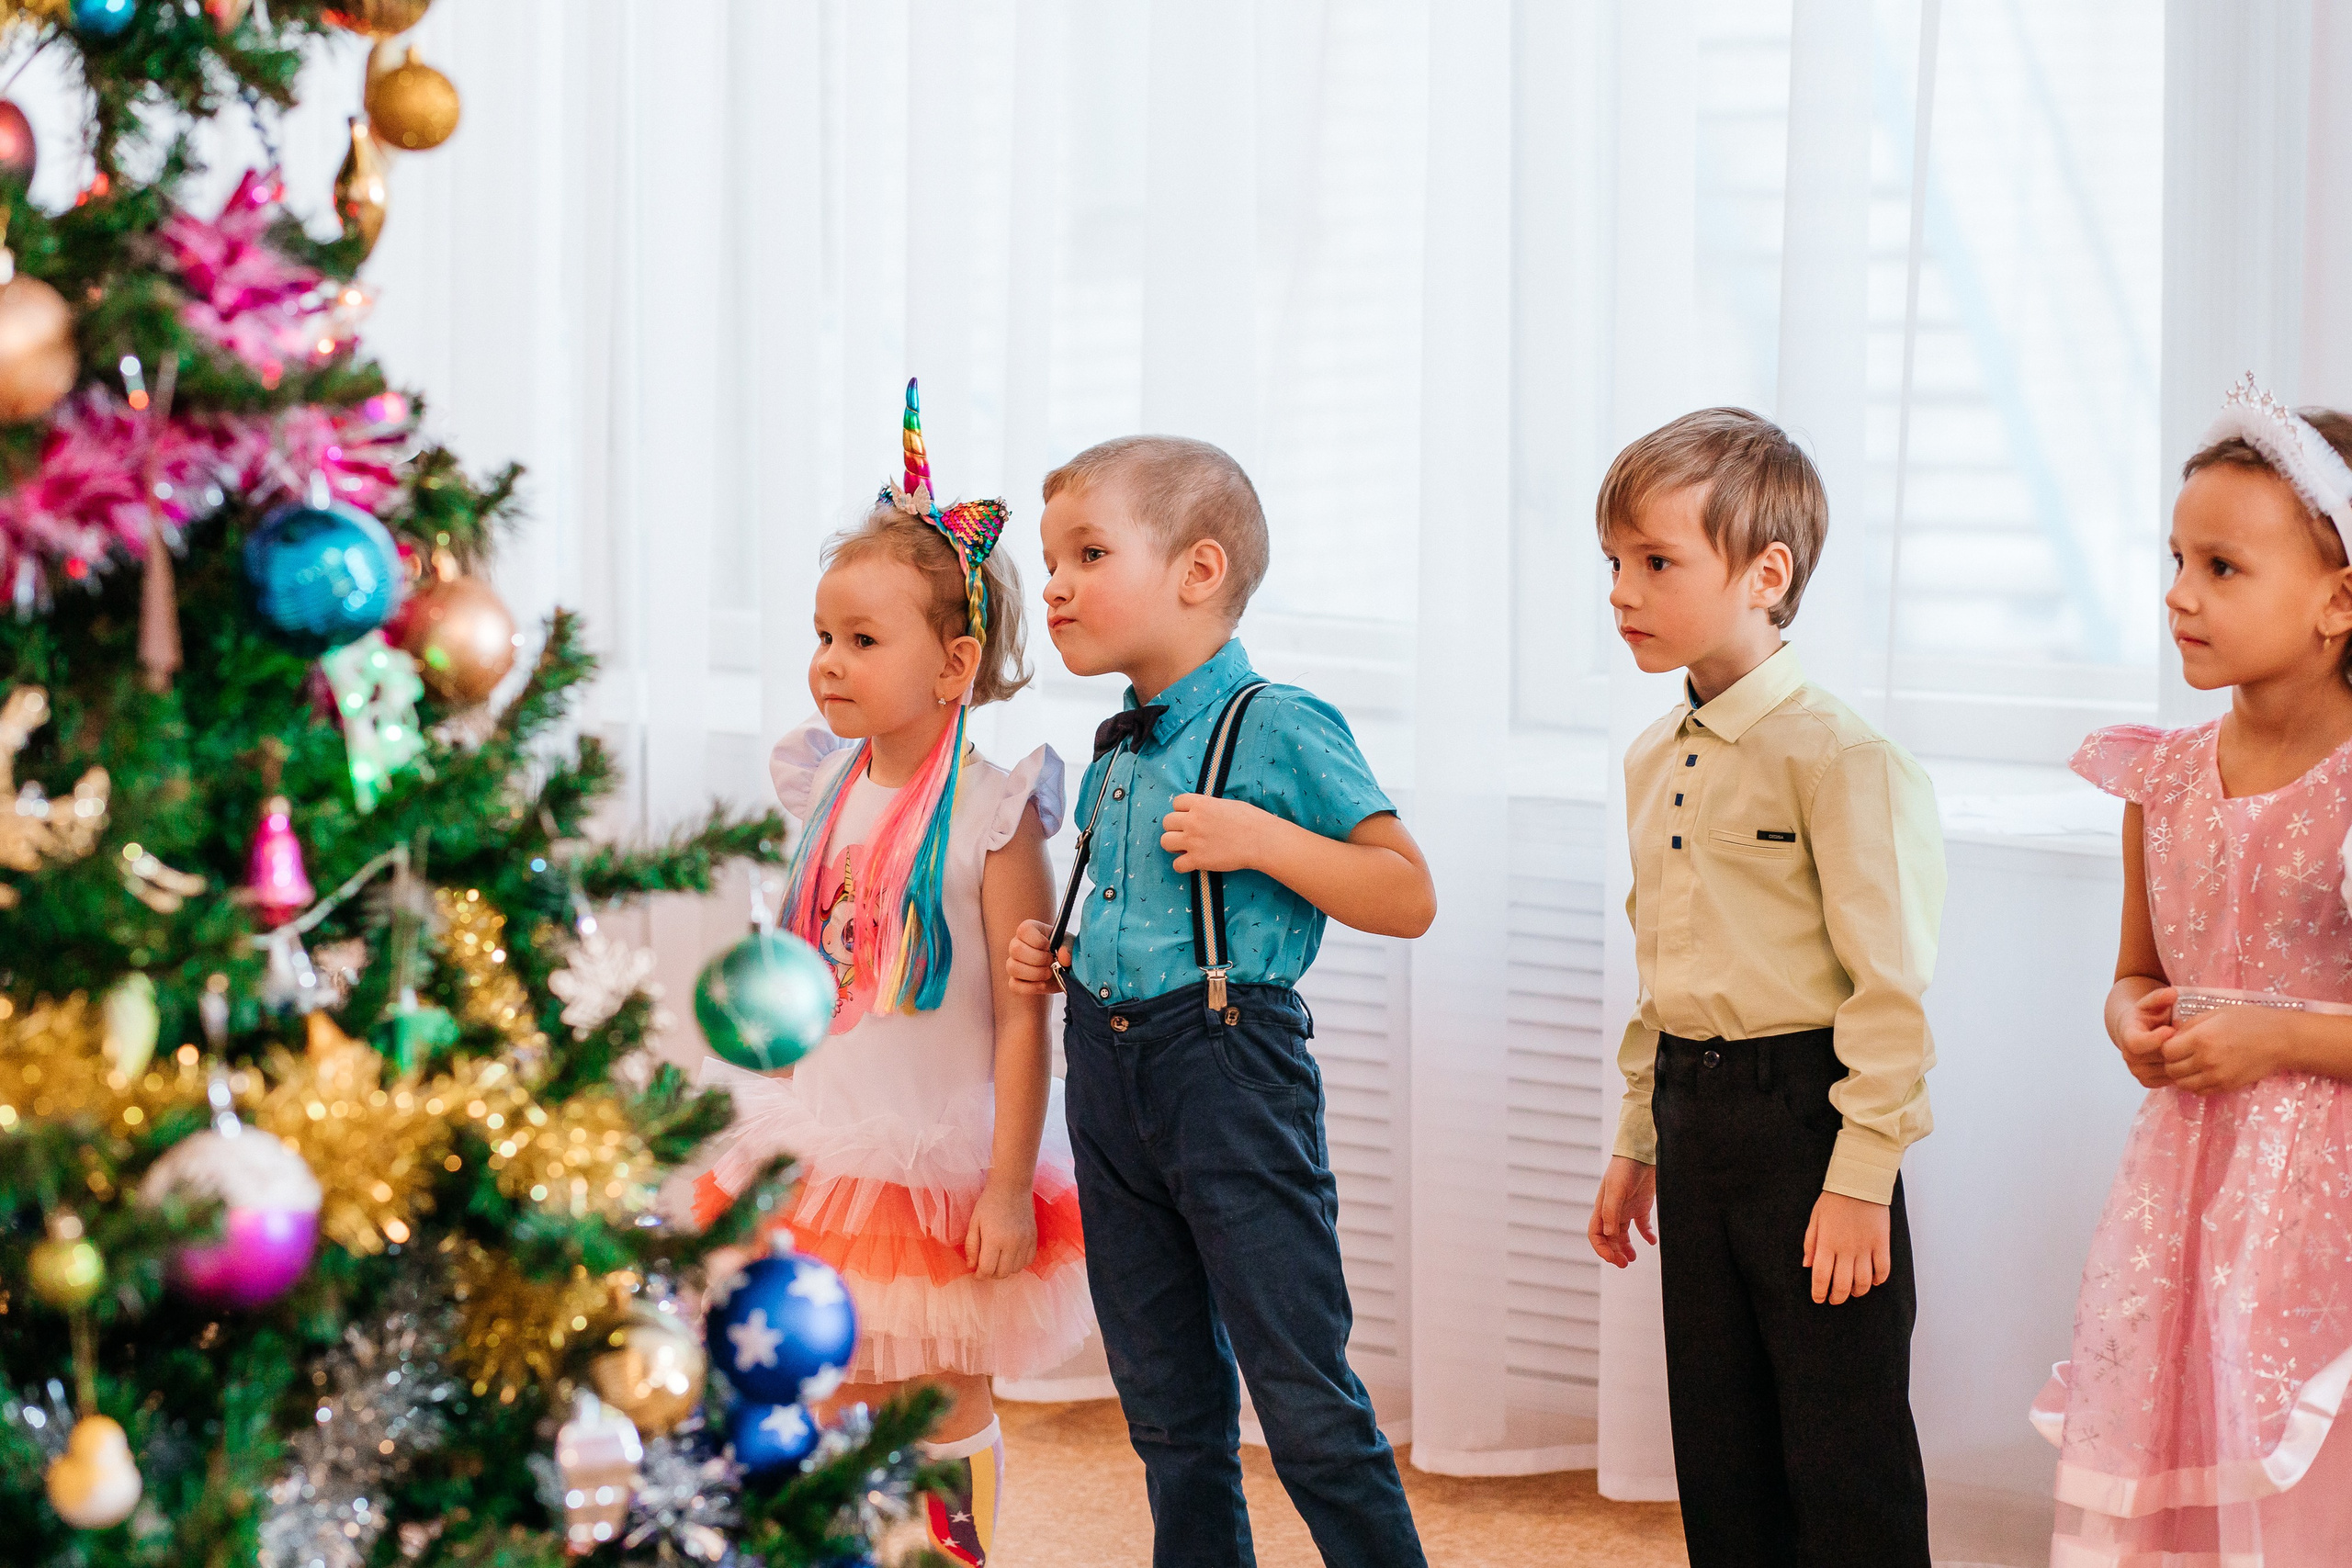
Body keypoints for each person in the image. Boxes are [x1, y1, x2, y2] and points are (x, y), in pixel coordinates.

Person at [1003, 435, 1436, 1568]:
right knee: (1162, 1393)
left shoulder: (1280, 723)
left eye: (1087, 553)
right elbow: (1131, 907)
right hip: (1107, 1066)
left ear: (1197, 572)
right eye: (1050, 560)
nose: (1053, 584)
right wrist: (1056, 956)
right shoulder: (1116, 748)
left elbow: (1406, 895)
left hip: (1227, 1072)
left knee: (1300, 1392)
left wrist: (1264, 839)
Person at [694, 382, 1090, 1568]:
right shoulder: (821, 781)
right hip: (823, 1141)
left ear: (954, 661)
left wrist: (1008, 1183)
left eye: (863, 640)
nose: (829, 662)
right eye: (822, 634)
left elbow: (1023, 1018)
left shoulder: (997, 812)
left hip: (940, 1160)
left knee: (934, 1393)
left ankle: (952, 1554)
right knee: (815, 1383)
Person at [1583, 408, 1944, 1567]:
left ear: (1765, 574)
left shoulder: (1842, 758)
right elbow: (1663, 972)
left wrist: (1859, 1181)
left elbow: (1889, 994)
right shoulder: (1651, 759)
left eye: (1655, 562)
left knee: (1843, 1457)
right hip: (1695, 1119)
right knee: (1721, 1449)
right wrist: (1638, 1137)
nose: (1622, 592)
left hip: (1811, 1125)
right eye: (1613, 565)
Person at [2030, 378, 2352, 1565]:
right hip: (2188, 1187)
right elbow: (2133, 969)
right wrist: (2132, 1019)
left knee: (2310, 1476)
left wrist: (2276, 1037)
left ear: (2338, 602)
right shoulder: (2159, 778)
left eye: (2223, 567)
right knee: (2190, 1481)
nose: (2178, 594)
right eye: (2176, 557)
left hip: (2329, 1200)